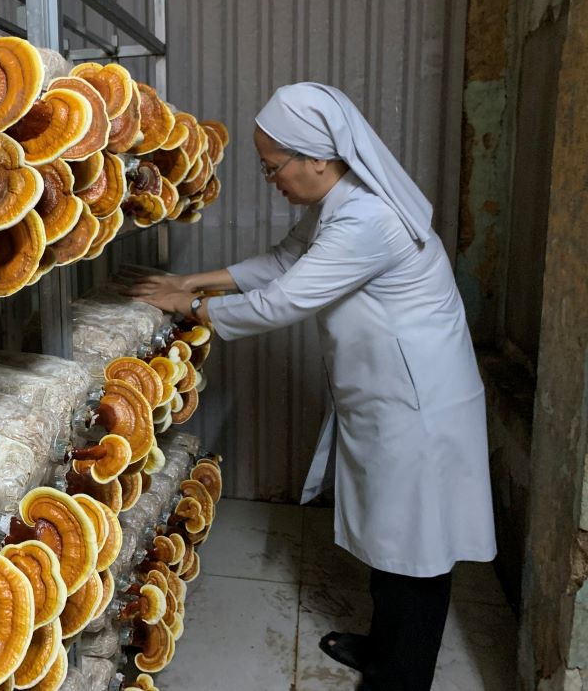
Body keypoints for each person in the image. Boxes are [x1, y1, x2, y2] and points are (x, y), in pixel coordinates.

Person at [130, 83, 496, 691]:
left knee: (418, 551)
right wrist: (188, 279)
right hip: (389, 396)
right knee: (393, 537)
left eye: (275, 167)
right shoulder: (338, 205)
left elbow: (287, 297)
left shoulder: (368, 220)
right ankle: (384, 649)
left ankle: (400, 679)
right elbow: (281, 261)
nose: (272, 179)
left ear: (317, 158)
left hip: (419, 405)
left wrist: (194, 306)